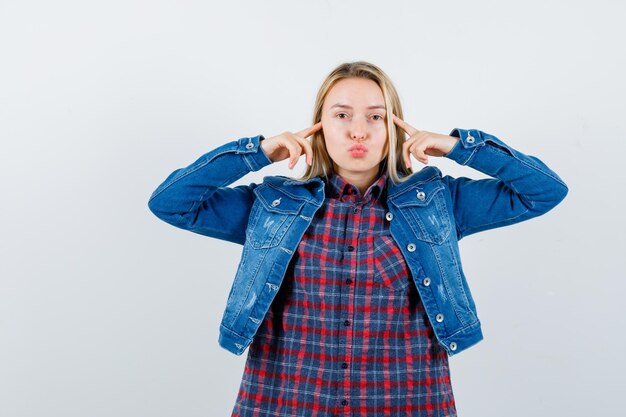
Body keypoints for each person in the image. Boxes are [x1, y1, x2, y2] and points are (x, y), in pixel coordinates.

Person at [147, 61, 568, 416]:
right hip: (287, 400)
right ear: (319, 126)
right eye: (342, 115)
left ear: (393, 127)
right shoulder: (272, 204)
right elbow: (171, 203)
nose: (358, 131)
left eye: (375, 116)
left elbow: (544, 191)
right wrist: (257, 151)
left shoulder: (438, 201)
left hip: (406, 401)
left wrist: (459, 147)